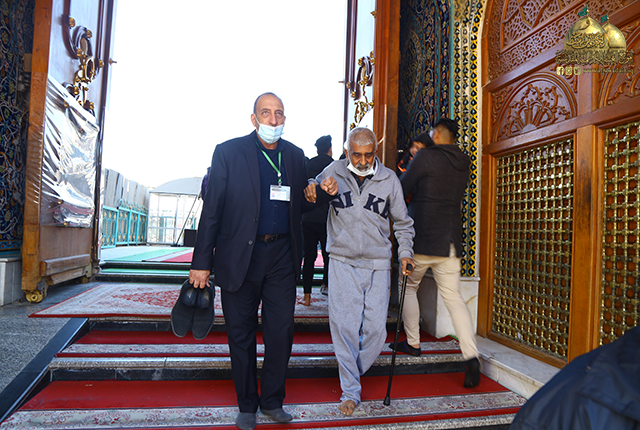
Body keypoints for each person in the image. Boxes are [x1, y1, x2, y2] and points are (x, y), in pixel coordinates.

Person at [189, 93, 338, 430]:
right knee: (240, 334)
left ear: (285, 118)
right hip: (239, 256)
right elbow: (212, 210)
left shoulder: (295, 155)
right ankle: (246, 404)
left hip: (282, 256)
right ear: (254, 118)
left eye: (279, 113)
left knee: (281, 331)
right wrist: (201, 262)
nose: (273, 120)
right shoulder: (228, 152)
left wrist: (322, 192)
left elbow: (302, 201)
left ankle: (272, 400)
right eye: (266, 113)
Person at [309, 127, 415, 416]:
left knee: (376, 331)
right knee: (344, 326)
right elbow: (312, 188)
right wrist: (314, 185)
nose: (363, 160)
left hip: (378, 263)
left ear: (375, 152)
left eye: (369, 154)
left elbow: (403, 223)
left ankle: (352, 370)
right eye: (357, 155)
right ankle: (350, 390)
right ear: (347, 152)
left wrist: (405, 252)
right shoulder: (334, 170)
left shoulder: (389, 179)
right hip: (342, 260)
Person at [392, 117, 481, 388]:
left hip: (422, 237)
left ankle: (413, 343)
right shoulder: (464, 161)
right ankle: (471, 357)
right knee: (454, 298)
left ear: (437, 134)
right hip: (449, 240)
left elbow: (402, 188)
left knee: (408, 287)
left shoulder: (426, 157)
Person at [300, 135, 334, 306]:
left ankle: (306, 296)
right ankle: (326, 287)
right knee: (329, 256)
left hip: (308, 217)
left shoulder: (309, 165)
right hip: (327, 218)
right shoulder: (334, 166)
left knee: (309, 257)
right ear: (330, 149)